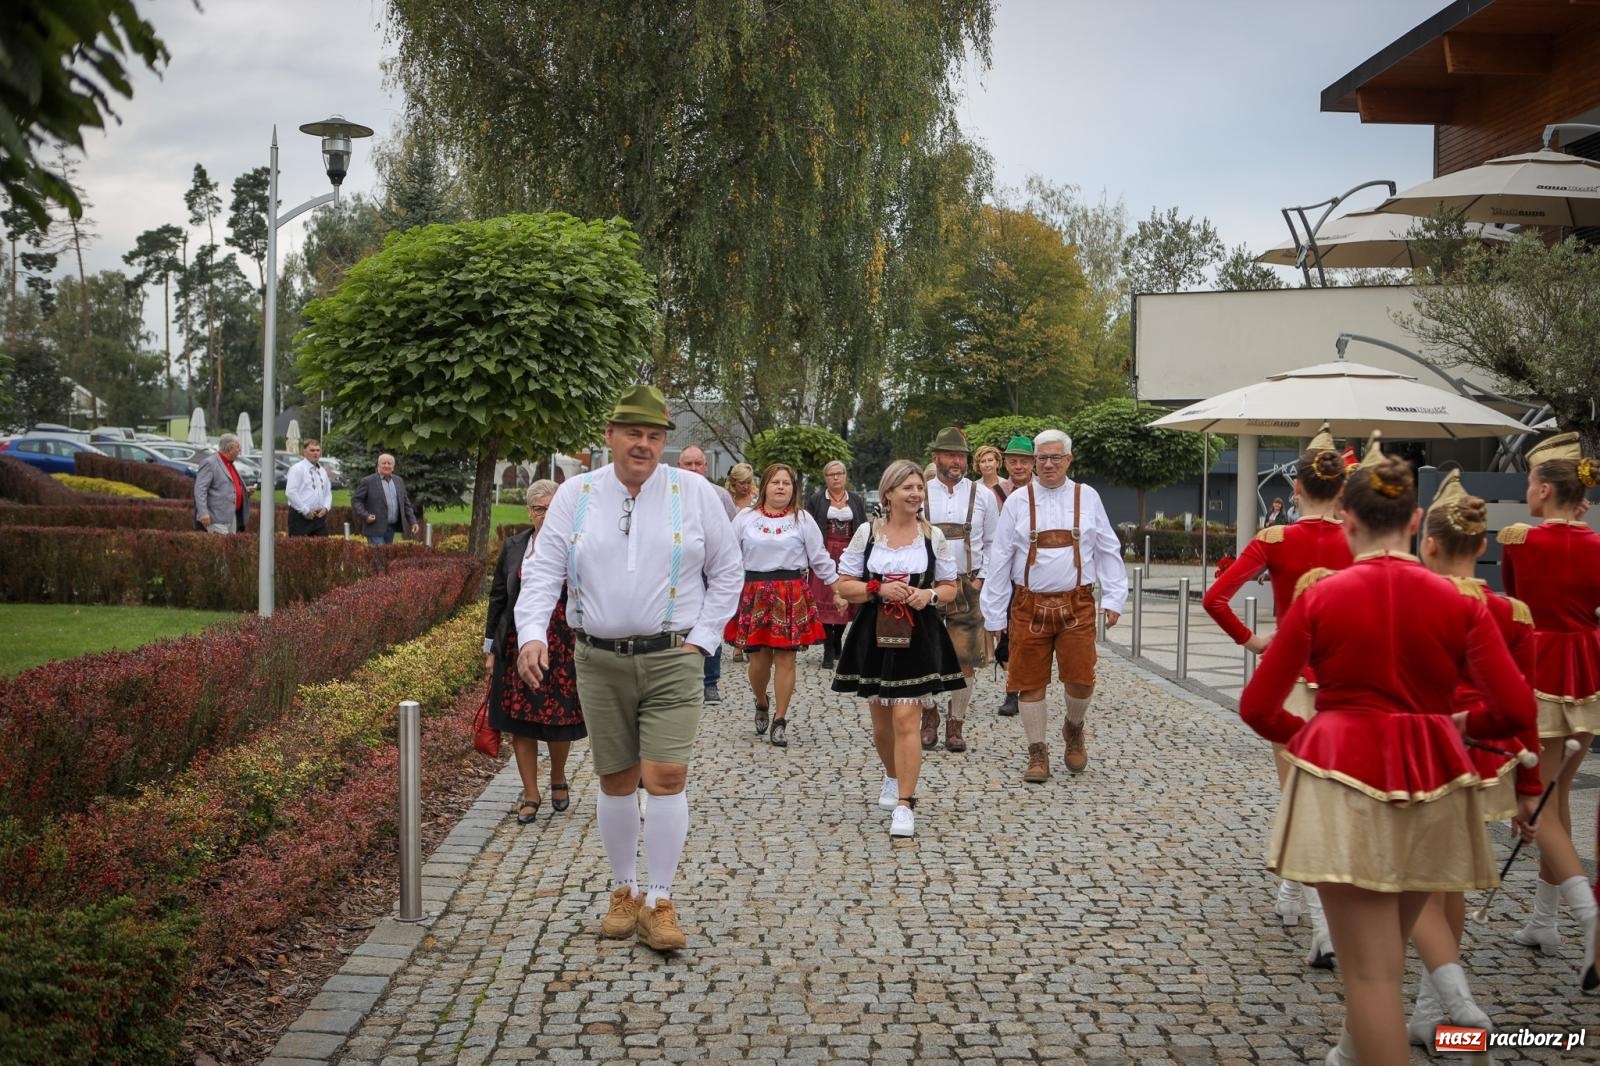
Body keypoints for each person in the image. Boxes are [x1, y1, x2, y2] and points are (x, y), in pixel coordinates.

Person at [1239, 444, 1535, 1066]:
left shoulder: (1321, 597)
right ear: (1415, 519)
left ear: (1348, 521)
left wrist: (1311, 740)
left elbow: (1259, 707)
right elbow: (1514, 711)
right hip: (1434, 774)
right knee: (1385, 959)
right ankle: (1350, 1051)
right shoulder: (1461, 603)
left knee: (1371, 977)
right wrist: (1458, 722)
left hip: (1343, 774)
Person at [515, 384, 742, 953]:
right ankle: (624, 890)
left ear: (665, 442)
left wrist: (705, 640)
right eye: (633, 434)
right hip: (598, 657)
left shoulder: (693, 492)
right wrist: (532, 635)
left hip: (672, 658)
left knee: (666, 777)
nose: (644, 445)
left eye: (655, 436)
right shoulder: (577, 494)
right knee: (616, 779)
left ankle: (661, 900)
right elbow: (542, 571)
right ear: (611, 436)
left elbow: (728, 570)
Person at [1202, 423, 1352, 961]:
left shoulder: (1276, 539)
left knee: (1298, 795)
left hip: (1290, 683)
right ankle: (1302, 898)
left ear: (1296, 489)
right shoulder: (1360, 541)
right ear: (1343, 489)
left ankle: (1320, 922)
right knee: (1337, 796)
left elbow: (1216, 597)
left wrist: (1253, 640)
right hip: (1346, 683)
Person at [1408, 470, 1542, 1041]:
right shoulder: (1512, 612)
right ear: (1483, 546)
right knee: (1451, 883)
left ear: (1428, 543)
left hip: (1416, 757)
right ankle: (1428, 1011)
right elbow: (1524, 704)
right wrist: (1530, 792)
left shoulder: (1412, 601)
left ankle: (1407, 1006)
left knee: (1409, 885)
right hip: (1484, 759)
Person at [1496, 431, 1600, 985]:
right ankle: (1544, 920)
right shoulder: (1598, 545)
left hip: (1539, 676)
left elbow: (1516, 608)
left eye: (1529, 485)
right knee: (1554, 807)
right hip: (1589, 678)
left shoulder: (1518, 541)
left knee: (1540, 808)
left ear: (1541, 488)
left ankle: (1590, 922)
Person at [981, 430, 1127, 784]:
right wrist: (994, 612)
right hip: (1028, 604)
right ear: (1033, 461)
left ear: (1068, 460)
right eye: (1041, 458)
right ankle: (1037, 751)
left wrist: (1113, 597)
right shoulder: (1018, 502)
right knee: (1028, 682)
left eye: (1055, 458)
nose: (1047, 464)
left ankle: (1074, 727)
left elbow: (1108, 548)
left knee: (1081, 679)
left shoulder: (1087, 496)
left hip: (1077, 603)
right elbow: (1000, 558)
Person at [832, 460, 965, 837]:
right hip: (874, 631)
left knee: (907, 718)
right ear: (888, 493)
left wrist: (930, 594)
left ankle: (905, 803)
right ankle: (892, 776)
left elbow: (950, 586)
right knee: (881, 723)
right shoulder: (867, 534)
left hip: (918, 633)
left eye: (919, 488)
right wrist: (877, 589)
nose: (915, 494)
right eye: (907, 487)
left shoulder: (932, 536)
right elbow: (844, 585)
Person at [485, 481, 586, 823]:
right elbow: (499, 597)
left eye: (553, 508)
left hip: (563, 641)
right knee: (521, 722)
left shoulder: (578, 546)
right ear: (529, 512)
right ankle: (530, 792)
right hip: (518, 641)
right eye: (540, 509)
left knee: (560, 718)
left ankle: (558, 777)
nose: (546, 515)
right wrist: (491, 647)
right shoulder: (516, 546)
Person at [726, 462, 838, 747]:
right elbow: (727, 557)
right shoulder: (745, 519)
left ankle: (780, 719)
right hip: (755, 591)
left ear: (793, 489)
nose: (780, 487)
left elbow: (819, 558)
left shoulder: (802, 520)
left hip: (790, 592)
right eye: (775, 482)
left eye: (786, 483)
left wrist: (838, 587)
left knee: (787, 658)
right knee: (759, 660)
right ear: (764, 486)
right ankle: (761, 701)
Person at [922, 427, 998, 753]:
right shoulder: (920, 492)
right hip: (927, 584)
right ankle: (928, 715)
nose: (957, 461)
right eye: (950, 455)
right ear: (935, 457)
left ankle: (956, 723)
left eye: (962, 456)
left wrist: (981, 580)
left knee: (965, 657)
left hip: (968, 583)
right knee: (921, 654)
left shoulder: (982, 496)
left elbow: (995, 543)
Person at [679, 445, 735, 703]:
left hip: (710, 572)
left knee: (710, 622)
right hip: (680, 571)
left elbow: (732, 535)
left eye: (697, 463)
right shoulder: (670, 494)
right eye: (687, 463)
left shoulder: (720, 496)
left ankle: (710, 682)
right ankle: (680, 679)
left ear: (706, 466)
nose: (692, 468)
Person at [803, 460, 868, 669]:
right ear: (826, 478)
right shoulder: (816, 500)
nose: (836, 477)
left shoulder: (856, 500)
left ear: (845, 476)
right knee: (824, 598)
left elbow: (864, 526)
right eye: (832, 474)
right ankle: (828, 647)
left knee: (847, 597)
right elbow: (808, 527)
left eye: (839, 473)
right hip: (824, 552)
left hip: (849, 553)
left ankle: (838, 638)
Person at [991, 435, 1036, 717]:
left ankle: (1024, 688)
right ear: (1005, 462)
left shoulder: (1042, 492)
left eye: (1023, 461)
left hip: (1031, 574)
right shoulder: (994, 492)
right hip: (1001, 572)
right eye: (1013, 460)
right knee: (1005, 632)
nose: (1018, 466)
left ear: (1032, 462)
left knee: (1027, 635)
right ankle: (1012, 688)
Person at [351, 454, 419, 544]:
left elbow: (405, 504)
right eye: (383, 463)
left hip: (391, 528)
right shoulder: (368, 481)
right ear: (378, 465)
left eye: (389, 463)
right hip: (374, 528)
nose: (386, 465)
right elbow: (356, 500)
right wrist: (365, 515)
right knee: (379, 555)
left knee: (386, 555)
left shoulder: (398, 481)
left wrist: (413, 522)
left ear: (393, 467)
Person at [194, 432, 250, 534]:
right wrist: (203, 513)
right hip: (216, 519)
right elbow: (200, 489)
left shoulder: (230, 464)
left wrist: (244, 491)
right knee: (221, 548)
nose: (239, 450)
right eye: (238, 447)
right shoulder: (210, 463)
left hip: (232, 517)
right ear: (230, 448)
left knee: (230, 548)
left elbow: (229, 485)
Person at [285, 438, 333, 537]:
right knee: (299, 549)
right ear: (305, 452)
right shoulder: (297, 469)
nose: (315, 453)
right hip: (300, 518)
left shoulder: (322, 471)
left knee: (323, 548)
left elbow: (328, 492)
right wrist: (305, 510)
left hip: (319, 518)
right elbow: (291, 492)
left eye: (318, 450)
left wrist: (326, 507)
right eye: (312, 450)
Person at [975, 444, 1006, 509]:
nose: (987, 465)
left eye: (990, 460)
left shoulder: (1007, 485)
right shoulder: (974, 488)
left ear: (997, 463)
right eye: (983, 461)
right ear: (978, 466)